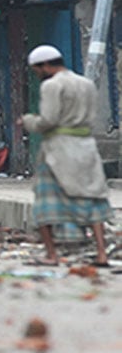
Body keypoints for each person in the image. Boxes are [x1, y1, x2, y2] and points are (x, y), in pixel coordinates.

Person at [19, 45, 110, 266]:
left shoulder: (52, 86)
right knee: (92, 199)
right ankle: (101, 253)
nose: (37, 74)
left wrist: (28, 121)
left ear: (45, 66)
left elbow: (48, 120)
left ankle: (52, 254)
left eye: (37, 70)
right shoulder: (86, 83)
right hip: (86, 148)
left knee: (45, 202)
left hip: (59, 150)